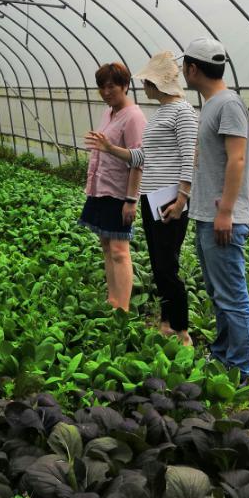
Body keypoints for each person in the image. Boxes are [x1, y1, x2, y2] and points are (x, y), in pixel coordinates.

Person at [85, 52, 197, 345]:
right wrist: (110, 148)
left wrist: (183, 197)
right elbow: (142, 156)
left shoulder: (184, 112)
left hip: (170, 199)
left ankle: (182, 331)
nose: (143, 86)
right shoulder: (160, 113)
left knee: (168, 266)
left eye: (145, 81)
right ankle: (166, 323)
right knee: (160, 265)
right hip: (152, 196)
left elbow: (189, 156)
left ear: (155, 82)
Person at [179, 37, 249, 378]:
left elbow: (236, 159)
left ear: (193, 69)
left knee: (233, 297)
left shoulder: (228, 105)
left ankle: (239, 368)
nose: (182, 72)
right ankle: (223, 355)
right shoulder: (211, 105)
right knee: (218, 292)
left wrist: (226, 211)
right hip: (207, 216)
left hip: (222, 218)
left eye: (184, 67)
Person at [79, 62, 146, 311]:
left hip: (119, 192)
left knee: (120, 249)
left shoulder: (134, 117)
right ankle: (112, 299)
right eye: (101, 87)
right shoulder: (109, 113)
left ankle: (123, 308)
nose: (106, 92)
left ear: (125, 86)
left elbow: (139, 159)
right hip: (101, 188)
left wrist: (131, 200)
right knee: (106, 245)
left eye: (111, 87)